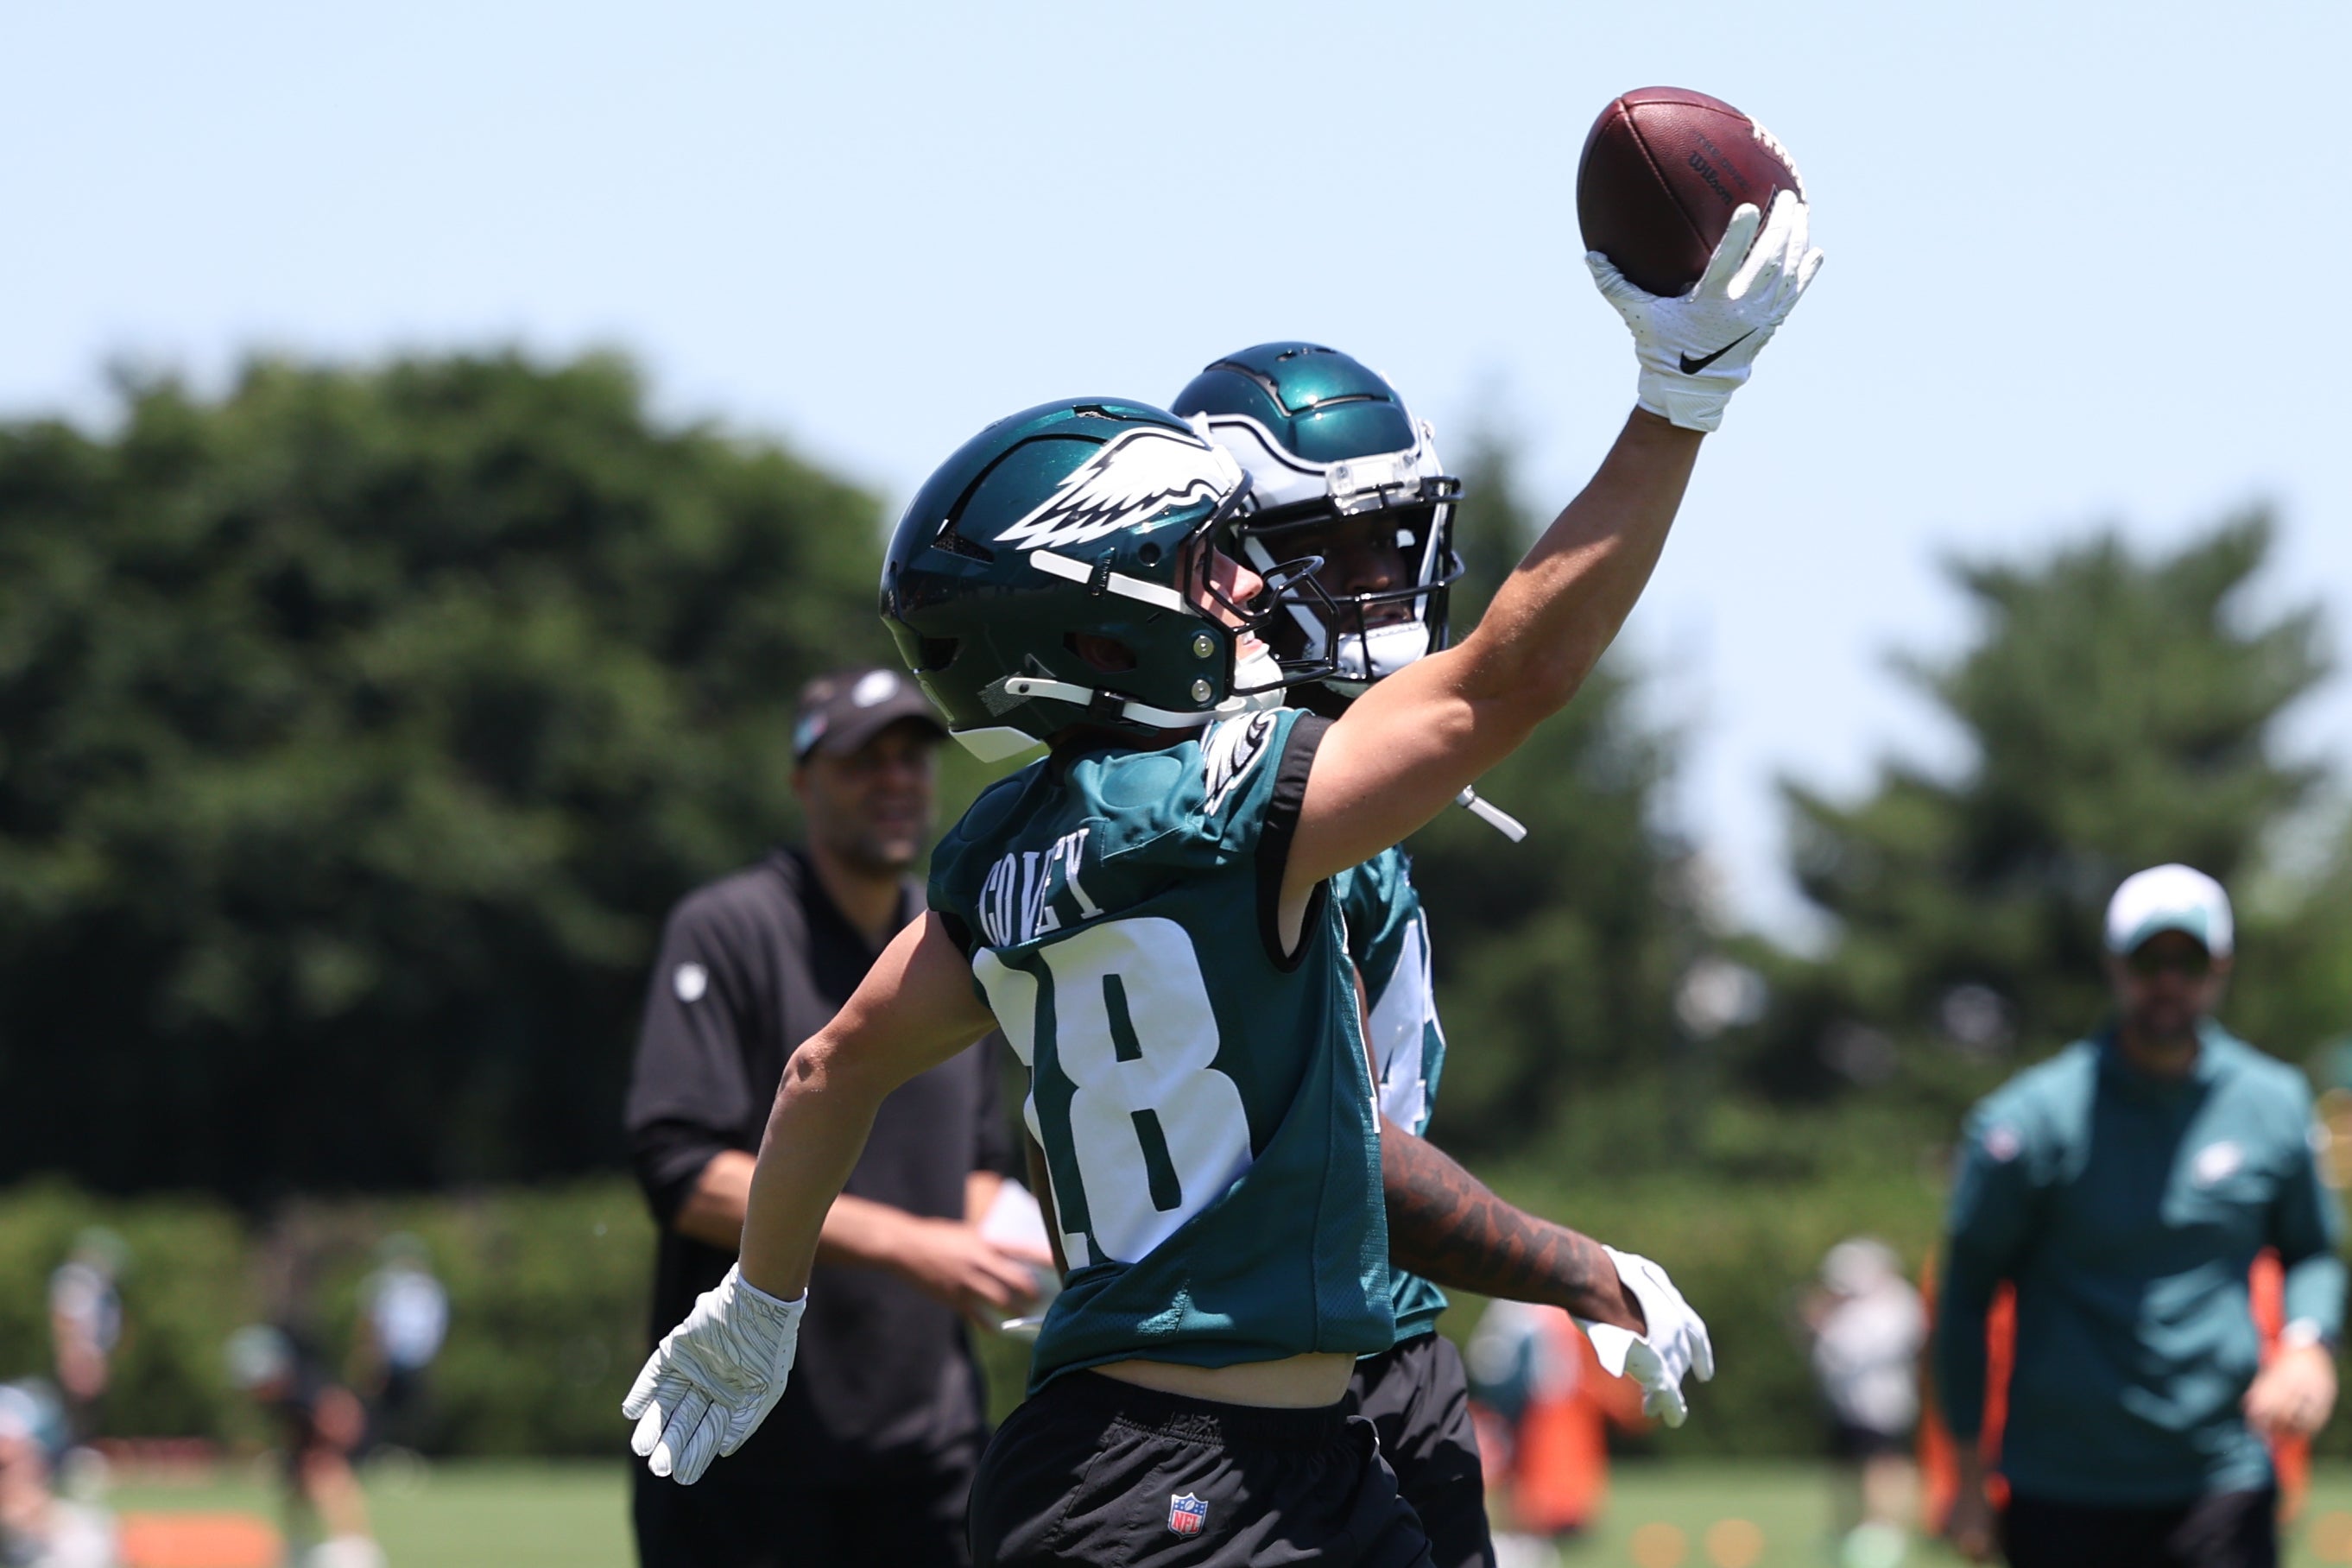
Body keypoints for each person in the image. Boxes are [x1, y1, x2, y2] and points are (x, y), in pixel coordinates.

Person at [626, 187, 1822, 1567]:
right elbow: (1514, 678)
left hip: (1207, 1456)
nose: (1247, 591)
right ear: (1105, 615)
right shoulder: (1235, 797)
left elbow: (826, 1072)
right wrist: (1681, 399)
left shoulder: (1000, 843)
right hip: (1181, 1479)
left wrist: (760, 1301)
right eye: (1207, 565)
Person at [1169, 340, 1650, 1568]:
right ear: (1221, 568)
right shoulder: (1255, 804)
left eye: (1397, 540)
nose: (1384, 582)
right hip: (1261, 1384)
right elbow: (1339, 1149)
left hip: (1340, 1353)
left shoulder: (1224, 793)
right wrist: (1582, 1269)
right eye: (1337, 549)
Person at [622, 665, 1035, 1568]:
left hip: (928, 1446)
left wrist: (1020, 1257)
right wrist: (916, 1247)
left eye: (912, 757)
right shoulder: (729, 929)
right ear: (803, 781)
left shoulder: (952, 945)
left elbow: (976, 1160)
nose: (896, 779)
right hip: (746, 1444)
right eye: (864, 759)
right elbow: (683, 1170)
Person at [1935, 863, 2346, 1568]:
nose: (2167, 981)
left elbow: (2312, 1251)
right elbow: (1964, 1300)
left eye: (2186, 960)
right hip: (2061, 1486)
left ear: (2220, 968)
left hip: (2221, 1478)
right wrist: (1967, 1477)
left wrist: (2307, 1344)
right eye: (2147, 960)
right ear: (2114, 967)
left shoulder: (2273, 1104)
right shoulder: (2027, 1125)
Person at [1803, 1237, 1925, 1568]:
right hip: (1846, 1403)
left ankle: (1884, 1533)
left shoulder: (1898, 1302)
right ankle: (1852, 1530)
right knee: (1848, 1469)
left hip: (1882, 1402)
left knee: (1883, 1467)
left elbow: (1866, 1349)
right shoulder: (1847, 1307)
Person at [224, 1325, 383, 1568]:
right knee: (295, 1483)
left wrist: (323, 1451)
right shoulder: (279, 1397)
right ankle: (301, 1546)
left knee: (325, 1474)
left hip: (335, 1440)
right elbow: (293, 1431)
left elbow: (340, 1416)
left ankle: (355, 1550)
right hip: (310, 1443)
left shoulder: (302, 1388)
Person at [351, 1232, 448, 1455]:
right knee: (380, 1410)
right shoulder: (383, 1285)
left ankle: (410, 1453)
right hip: (387, 1358)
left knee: (413, 1411)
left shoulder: (429, 1288)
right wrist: (369, 1353)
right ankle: (379, 1453)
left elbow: (434, 1326)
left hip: (417, 1359)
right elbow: (370, 1322)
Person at [47, 1230, 125, 1446]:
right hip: (82, 1351)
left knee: (87, 1406)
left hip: (90, 1351)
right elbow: (66, 1319)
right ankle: (68, 1452)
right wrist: (77, 1353)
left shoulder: (96, 1283)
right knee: (74, 1406)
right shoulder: (78, 1279)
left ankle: (78, 1449)